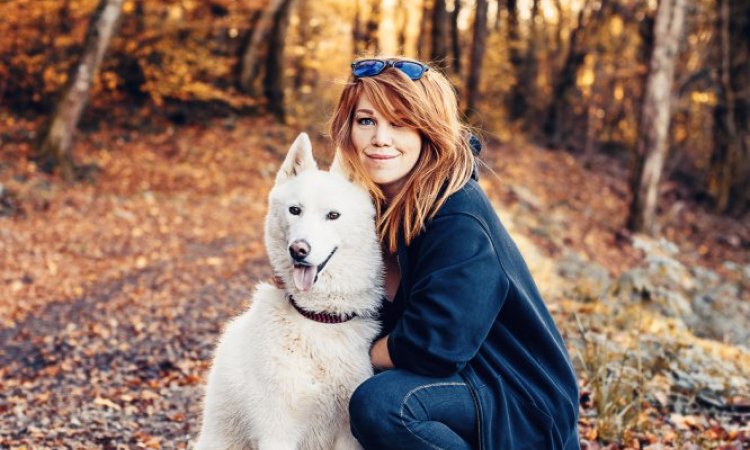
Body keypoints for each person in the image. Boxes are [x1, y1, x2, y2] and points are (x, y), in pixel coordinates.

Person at [329, 57, 581, 450]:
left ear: (428, 130)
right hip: (454, 380)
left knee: (382, 404)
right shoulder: (365, 204)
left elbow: (434, 344)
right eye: (366, 121)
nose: (380, 138)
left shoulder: (457, 210)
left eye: (399, 122)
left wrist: (346, 353)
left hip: (514, 395)